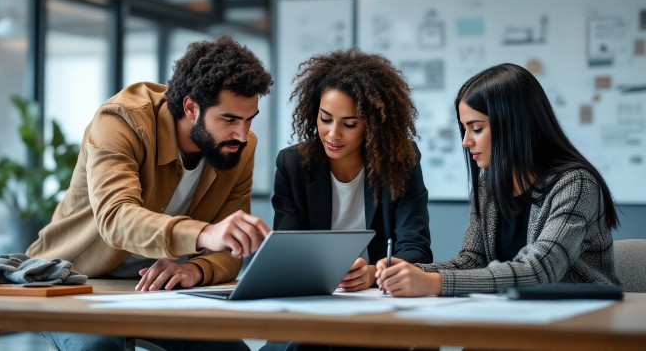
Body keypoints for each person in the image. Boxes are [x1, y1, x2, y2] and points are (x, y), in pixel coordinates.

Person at [27, 35, 273, 351]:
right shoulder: (121, 119)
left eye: (249, 119)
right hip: (74, 281)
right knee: (99, 348)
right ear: (191, 107)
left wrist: (195, 269)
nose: (242, 134)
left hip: (155, 288)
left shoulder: (239, 147)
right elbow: (115, 218)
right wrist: (205, 234)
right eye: (229, 119)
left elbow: (229, 251)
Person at [376, 62, 621, 297]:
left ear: (513, 125)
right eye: (464, 129)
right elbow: (472, 261)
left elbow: (540, 270)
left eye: (477, 128)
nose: (466, 141)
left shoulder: (576, 184)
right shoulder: (488, 185)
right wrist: (412, 273)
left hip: (582, 323)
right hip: (516, 316)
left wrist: (434, 282)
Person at [263, 48, 432, 351]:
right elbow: (286, 249)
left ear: (372, 125)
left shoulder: (400, 161)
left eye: (349, 124)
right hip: (313, 307)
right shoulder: (292, 165)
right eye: (325, 119)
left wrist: (372, 274)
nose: (332, 134)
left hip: (378, 306)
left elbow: (416, 249)